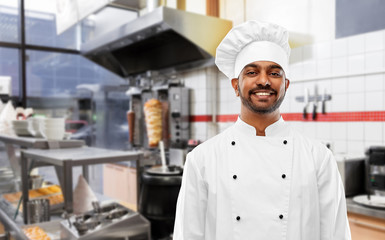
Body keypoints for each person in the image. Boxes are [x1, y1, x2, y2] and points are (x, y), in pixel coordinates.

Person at [173, 20, 351, 240]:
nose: (264, 81)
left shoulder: (318, 159)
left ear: (286, 85)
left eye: (275, 73)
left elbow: (336, 235)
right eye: (252, 72)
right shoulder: (202, 160)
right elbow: (188, 235)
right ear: (236, 86)